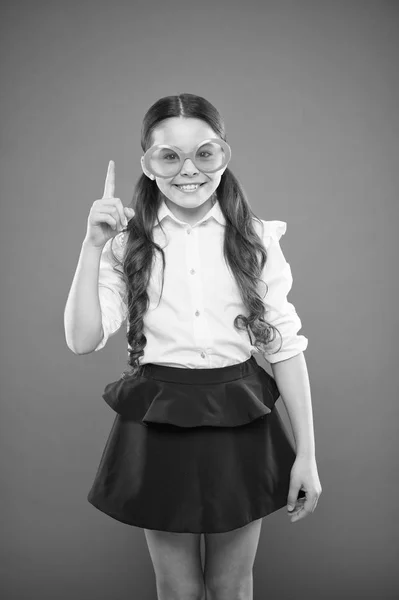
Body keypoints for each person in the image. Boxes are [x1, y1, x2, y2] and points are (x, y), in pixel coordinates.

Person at [64, 93, 322, 600]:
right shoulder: (126, 242)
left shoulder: (254, 238)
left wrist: (307, 456)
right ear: (148, 163)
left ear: (223, 156)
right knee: (177, 588)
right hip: (161, 417)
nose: (189, 170)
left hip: (240, 412)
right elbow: (81, 340)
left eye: (204, 153)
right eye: (170, 155)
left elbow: (286, 348)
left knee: (232, 585)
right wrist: (92, 246)